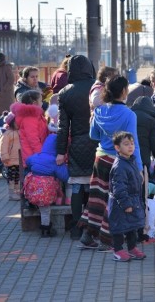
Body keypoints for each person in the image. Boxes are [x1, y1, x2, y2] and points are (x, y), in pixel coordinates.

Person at [78, 75, 141, 250]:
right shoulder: (129, 114)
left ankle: (88, 235)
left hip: (100, 159)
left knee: (97, 198)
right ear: (123, 91)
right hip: (119, 162)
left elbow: (93, 135)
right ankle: (107, 240)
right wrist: (138, 167)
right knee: (115, 200)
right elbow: (133, 143)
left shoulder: (99, 111)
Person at [55, 55, 98, 239]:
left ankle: (75, 228)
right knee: (96, 185)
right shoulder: (98, 87)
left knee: (78, 185)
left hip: (78, 144)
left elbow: (63, 127)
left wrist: (60, 151)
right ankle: (93, 226)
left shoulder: (65, 92)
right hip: (98, 142)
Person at [131, 95, 155, 243]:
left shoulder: (130, 115)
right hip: (142, 164)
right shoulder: (151, 121)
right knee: (141, 198)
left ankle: (128, 232)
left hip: (124, 162)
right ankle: (140, 232)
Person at [108, 131, 147, 262]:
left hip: (133, 200)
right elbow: (119, 187)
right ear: (117, 148)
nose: (130, 146)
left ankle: (132, 248)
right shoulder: (120, 166)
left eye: (132, 143)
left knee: (132, 226)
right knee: (118, 227)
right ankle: (117, 250)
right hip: (121, 204)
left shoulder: (131, 161)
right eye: (126, 144)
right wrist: (126, 203)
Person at [24, 134, 68, 237]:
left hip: (33, 189)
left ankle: (30, 202)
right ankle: (45, 229)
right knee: (45, 210)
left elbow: (28, 161)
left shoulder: (36, 156)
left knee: (41, 206)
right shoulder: (55, 161)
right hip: (46, 191)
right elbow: (65, 176)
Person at [11, 90, 49, 163]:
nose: (42, 103)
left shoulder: (36, 115)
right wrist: (40, 154)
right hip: (33, 156)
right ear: (35, 103)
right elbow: (33, 139)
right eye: (41, 101)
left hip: (36, 154)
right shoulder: (30, 117)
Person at [0, 112, 21, 201]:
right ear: (11, 122)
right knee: (11, 177)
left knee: (18, 177)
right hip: (10, 160)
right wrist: (4, 156)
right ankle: (12, 193)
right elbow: (3, 145)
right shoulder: (6, 133)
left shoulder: (18, 132)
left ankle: (17, 192)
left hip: (19, 160)